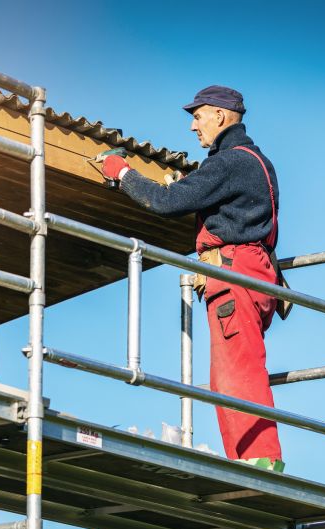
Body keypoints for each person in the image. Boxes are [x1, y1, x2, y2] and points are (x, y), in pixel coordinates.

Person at [99, 85, 284, 471]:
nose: (193, 127)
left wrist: (124, 173)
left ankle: (260, 459)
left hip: (235, 275)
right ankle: (248, 459)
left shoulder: (229, 162)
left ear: (220, 115)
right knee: (227, 373)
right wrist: (193, 183)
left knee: (238, 370)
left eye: (197, 116)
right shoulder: (257, 161)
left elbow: (167, 202)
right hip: (255, 274)